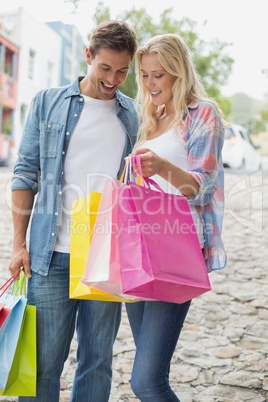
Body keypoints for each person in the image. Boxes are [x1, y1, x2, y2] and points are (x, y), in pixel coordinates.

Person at [8, 20, 138, 402]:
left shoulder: (132, 115)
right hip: (50, 255)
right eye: (105, 68)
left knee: (97, 362)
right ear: (88, 57)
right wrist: (19, 244)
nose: (113, 79)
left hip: (104, 253)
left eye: (122, 70)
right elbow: (25, 173)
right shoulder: (47, 102)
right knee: (43, 365)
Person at [126, 33, 227, 401]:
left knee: (146, 382)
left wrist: (163, 167)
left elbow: (203, 187)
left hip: (176, 248)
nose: (150, 84)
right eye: (145, 75)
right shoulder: (152, 116)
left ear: (178, 72)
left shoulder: (203, 114)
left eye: (159, 75)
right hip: (140, 248)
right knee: (148, 373)